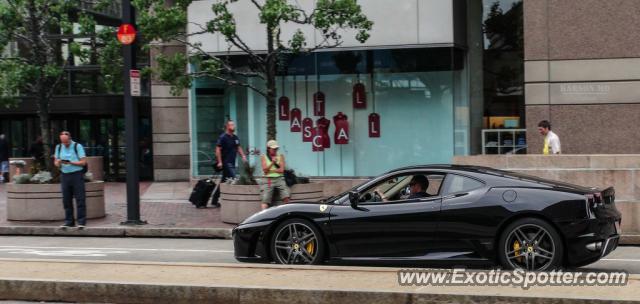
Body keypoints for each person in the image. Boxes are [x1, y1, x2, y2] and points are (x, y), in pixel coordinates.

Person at [54, 131, 88, 229]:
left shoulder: (77, 146)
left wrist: (71, 163)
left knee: (80, 198)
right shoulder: (58, 147)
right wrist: (59, 162)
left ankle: (81, 221)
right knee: (66, 199)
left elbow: (83, 162)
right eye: (63, 142)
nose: (65, 144)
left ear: (70, 139)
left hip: (77, 174)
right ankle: (69, 221)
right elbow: (55, 163)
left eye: (66, 142)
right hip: (64, 175)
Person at [213, 120, 247, 207]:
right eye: (232, 125)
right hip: (226, 163)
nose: (234, 126)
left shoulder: (235, 137)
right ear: (227, 127)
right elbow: (217, 150)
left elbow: (238, 147)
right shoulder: (223, 137)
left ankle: (214, 199)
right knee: (234, 178)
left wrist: (243, 156)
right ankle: (236, 200)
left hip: (232, 162)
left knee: (224, 180)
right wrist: (220, 162)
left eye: (234, 125)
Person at [260, 140, 290, 210]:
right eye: (273, 149)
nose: (275, 150)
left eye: (276, 148)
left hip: (279, 178)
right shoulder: (263, 157)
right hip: (268, 180)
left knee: (286, 197)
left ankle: (288, 215)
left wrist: (270, 170)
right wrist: (272, 163)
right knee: (265, 200)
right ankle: (264, 216)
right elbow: (265, 171)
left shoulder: (281, 156)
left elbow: (281, 170)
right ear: (268, 148)